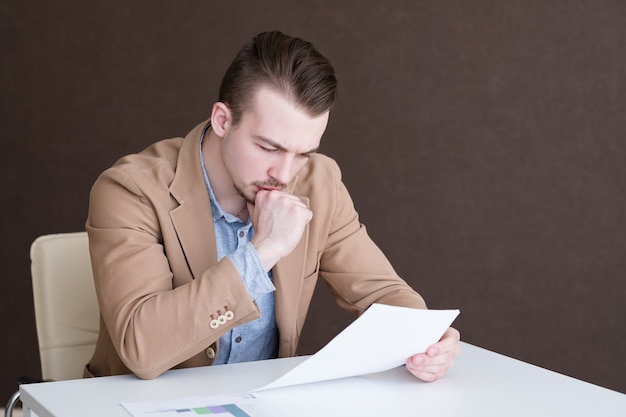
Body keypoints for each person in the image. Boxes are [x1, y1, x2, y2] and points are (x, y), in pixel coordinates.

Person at [85, 30, 460, 381]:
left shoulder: (320, 182)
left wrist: (427, 335)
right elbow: (141, 346)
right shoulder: (131, 189)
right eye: (269, 147)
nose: (283, 173)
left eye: (303, 153)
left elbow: (383, 292)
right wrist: (262, 252)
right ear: (222, 120)